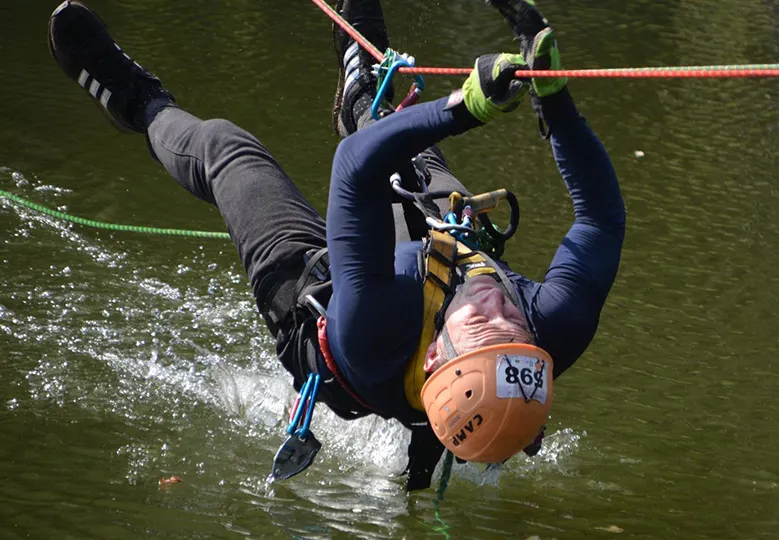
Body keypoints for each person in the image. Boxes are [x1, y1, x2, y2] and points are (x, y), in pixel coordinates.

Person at [48, 0, 625, 490]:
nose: (499, 305)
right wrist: (555, 100)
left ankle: (135, 101)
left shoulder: (377, 326)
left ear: (435, 358)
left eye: (482, 325)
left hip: (316, 304)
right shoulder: (551, 330)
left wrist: (464, 108)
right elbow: (600, 220)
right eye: (516, 330)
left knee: (228, 151)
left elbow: (354, 169)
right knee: (401, 141)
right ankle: (362, 82)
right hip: (433, 263)